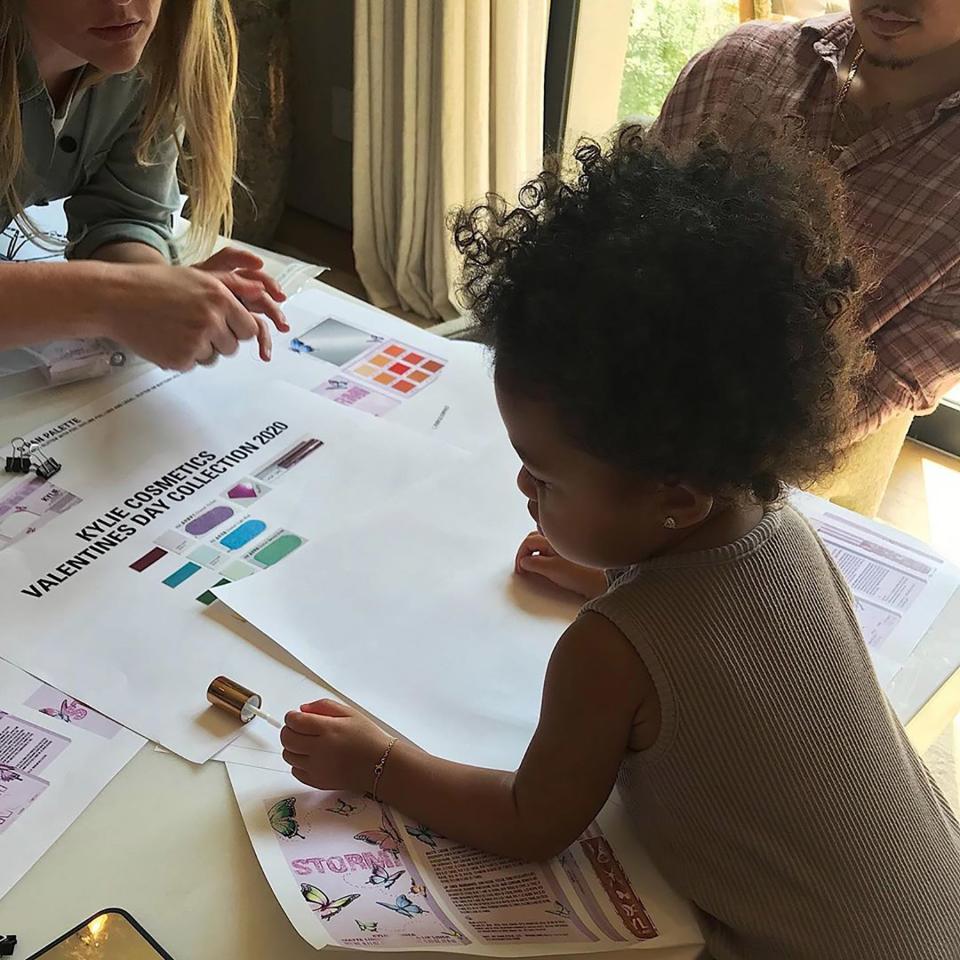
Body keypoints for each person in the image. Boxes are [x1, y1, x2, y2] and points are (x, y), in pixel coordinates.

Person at [279, 129, 960, 959]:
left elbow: (531, 823)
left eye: (544, 477)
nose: (524, 492)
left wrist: (380, 762)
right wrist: (617, 571)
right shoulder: (780, 525)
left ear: (673, 499)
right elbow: (721, 648)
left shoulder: (607, 652)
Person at [647, 0, 960, 516]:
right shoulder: (737, 64)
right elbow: (619, 252)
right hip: (611, 400)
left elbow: (852, 405)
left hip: (762, 500)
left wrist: (640, 522)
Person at [1, 0, 288, 371]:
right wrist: (111, 299)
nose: (121, 2)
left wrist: (156, 291)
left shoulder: (155, 47)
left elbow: (124, 213)